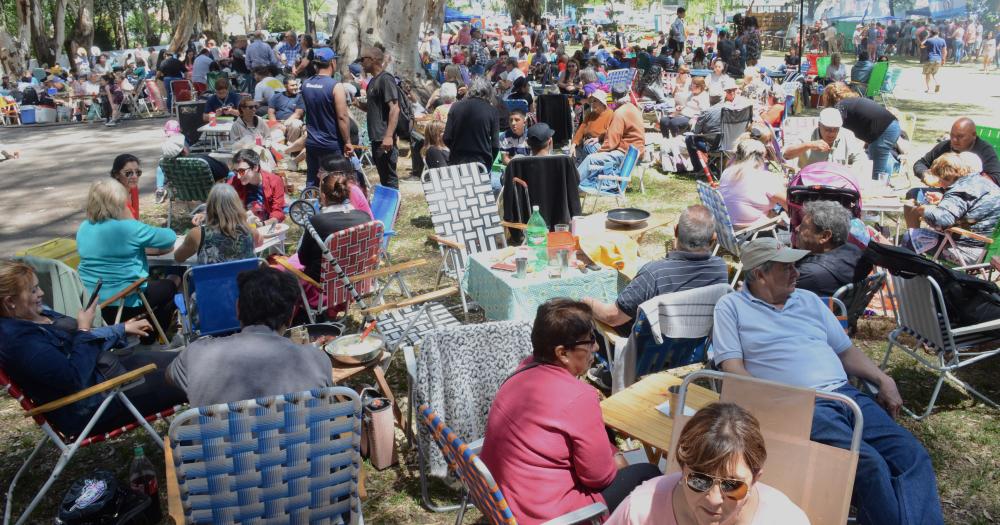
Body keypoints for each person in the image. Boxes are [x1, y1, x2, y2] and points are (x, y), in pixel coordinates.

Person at [713, 237, 944, 525]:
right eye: (787, 268)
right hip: (799, 406)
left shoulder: (808, 300)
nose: (797, 273)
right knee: (868, 465)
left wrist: (883, 379)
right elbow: (733, 370)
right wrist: (778, 404)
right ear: (760, 274)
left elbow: (846, 351)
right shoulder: (731, 307)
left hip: (849, 397)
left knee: (913, 457)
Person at [479, 299, 662, 523]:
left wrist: (612, 453)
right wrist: (616, 458)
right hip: (546, 516)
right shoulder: (578, 396)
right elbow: (599, 478)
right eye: (590, 340)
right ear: (562, 353)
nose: (595, 347)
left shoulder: (523, 370)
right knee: (650, 476)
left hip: (506, 502)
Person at [0, 260, 185, 438]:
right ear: (10, 302)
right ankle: (204, 445)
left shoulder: (31, 315)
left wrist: (120, 329)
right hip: (97, 405)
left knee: (186, 359)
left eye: (38, 286)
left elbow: (79, 341)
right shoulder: (20, 342)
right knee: (192, 374)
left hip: (108, 375)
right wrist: (83, 329)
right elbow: (73, 378)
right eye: (33, 290)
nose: (41, 293)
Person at [606, 403, 809, 525]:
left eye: (731, 485)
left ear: (755, 478)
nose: (714, 500)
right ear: (682, 469)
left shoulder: (784, 519)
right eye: (699, 480)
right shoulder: (640, 511)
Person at [166, 267, 332, 406]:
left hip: (222, 445)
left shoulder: (196, 354)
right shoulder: (317, 360)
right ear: (290, 317)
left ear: (238, 308)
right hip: (300, 445)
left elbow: (170, 376)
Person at [583, 205, 728, 335]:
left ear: (676, 231)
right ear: (713, 238)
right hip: (692, 348)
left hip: (647, 352)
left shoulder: (654, 274)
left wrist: (586, 301)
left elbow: (612, 317)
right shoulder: (720, 269)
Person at [75, 180, 178, 343]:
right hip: (124, 303)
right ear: (119, 202)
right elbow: (170, 237)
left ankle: (139, 334)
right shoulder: (129, 228)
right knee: (170, 285)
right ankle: (150, 339)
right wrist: (130, 218)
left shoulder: (84, 227)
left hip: (90, 304)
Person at [904, 152, 1000, 263]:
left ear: (947, 176)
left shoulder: (960, 189)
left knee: (909, 238)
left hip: (965, 251)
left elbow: (942, 221)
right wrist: (943, 200)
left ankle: (911, 275)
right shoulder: (983, 183)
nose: (941, 185)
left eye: (940, 180)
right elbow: (971, 208)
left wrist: (921, 209)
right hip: (989, 251)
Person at [296, 164, 373, 282]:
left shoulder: (317, 222)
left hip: (323, 285)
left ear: (323, 196)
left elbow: (303, 259)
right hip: (357, 281)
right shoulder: (365, 218)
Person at [822, 82, 900, 181]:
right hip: (893, 126)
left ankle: (878, 189)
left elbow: (837, 130)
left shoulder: (840, 106)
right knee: (885, 158)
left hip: (883, 131)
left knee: (876, 171)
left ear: (828, 98)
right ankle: (886, 184)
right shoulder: (852, 102)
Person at [298, 47, 352, 188]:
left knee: (312, 179)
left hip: (312, 141)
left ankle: (309, 205)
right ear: (332, 62)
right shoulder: (336, 86)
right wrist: (347, 141)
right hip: (331, 143)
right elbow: (342, 117)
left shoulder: (306, 84)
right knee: (335, 181)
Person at [794, 200, 869, 297]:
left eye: (803, 227)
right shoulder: (854, 252)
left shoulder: (809, 274)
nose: (797, 229)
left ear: (825, 236)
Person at [578, 85, 646, 190]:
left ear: (613, 99)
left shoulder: (619, 113)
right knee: (592, 149)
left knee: (590, 158)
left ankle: (571, 185)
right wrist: (600, 139)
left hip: (626, 154)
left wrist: (598, 152)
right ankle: (591, 179)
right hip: (637, 152)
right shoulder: (634, 108)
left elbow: (611, 142)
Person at [173, 184, 259, 265]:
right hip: (244, 280)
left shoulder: (197, 234)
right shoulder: (251, 231)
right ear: (237, 206)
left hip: (210, 280)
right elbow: (259, 243)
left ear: (210, 206)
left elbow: (178, 258)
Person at [717, 138, 787, 228]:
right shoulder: (763, 177)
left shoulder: (727, 172)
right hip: (753, 232)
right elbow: (788, 204)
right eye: (765, 157)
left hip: (728, 228)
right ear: (759, 158)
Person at [356, 46, 401, 189]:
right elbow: (374, 108)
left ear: (373, 59)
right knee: (384, 178)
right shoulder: (373, 82)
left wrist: (388, 136)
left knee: (389, 180)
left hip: (384, 139)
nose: (361, 63)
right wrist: (358, 104)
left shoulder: (386, 79)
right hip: (376, 138)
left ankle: (393, 210)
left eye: (362, 60)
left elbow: (395, 108)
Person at [913, 117, 1000, 186]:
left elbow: (996, 178)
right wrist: (925, 175)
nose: (954, 140)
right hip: (942, 190)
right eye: (952, 135)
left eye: (960, 136)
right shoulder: (945, 146)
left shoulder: (984, 150)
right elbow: (920, 163)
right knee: (914, 193)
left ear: (974, 135)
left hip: (970, 195)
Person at [444, 77, 500, 168]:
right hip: (482, 163)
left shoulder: (455, 107)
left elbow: (446, 137)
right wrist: (490, 160)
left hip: (457, 161)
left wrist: (456, 149)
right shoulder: (492, 111)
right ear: (489, 92)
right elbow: (495, 145)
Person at [783, 107, 865, 169]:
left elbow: (860, 158)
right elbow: (786, 155)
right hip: (810, 182)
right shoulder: (807, 135)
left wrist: (852, 174)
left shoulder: (847, 135)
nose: (832, 134)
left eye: (836, 129)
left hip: (838, 182)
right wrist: (808, 145)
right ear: (819, 125)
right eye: (828, 129)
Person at [227, 148, 286, 225]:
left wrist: (262, 224)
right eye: (236, 171)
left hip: (266, 226)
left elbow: (278, 212)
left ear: (255, 167)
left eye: (242, 171)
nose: (238, 176)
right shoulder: (234, 182)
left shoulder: (275, 181)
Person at [572, 90, 614, 159]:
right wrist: (574, 144)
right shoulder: (591, 115)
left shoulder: (611, 114)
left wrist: (599, 138)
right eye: (592, 101)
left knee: (589, 146)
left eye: (595, 101)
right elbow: (581, 129)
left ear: (602, 103)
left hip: (600, 145)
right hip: (586, 144)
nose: (592, 104)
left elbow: (611, 133)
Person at [267, 77, 305, 144]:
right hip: (277, 122)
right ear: (285, 86)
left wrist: (284, 124)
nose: (295, 87)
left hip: (291, 122)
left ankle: (290, 145)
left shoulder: (300, 97)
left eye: (296, 85)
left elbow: (297, 114)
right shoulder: (277, 96)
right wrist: (275, 123)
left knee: (296, 124)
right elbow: (271, 112)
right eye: (292, 85)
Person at [109, 154, 143, 219]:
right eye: (129, 173)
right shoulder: (114, 197)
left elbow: (136, 219)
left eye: (137, 172)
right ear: (116, 174)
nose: (135, 176)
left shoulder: (133, 188)